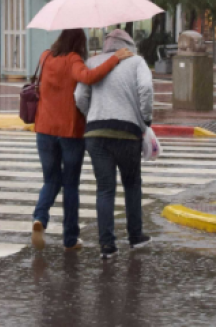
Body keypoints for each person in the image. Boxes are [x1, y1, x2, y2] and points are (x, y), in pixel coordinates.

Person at [31, 29, 133, 252]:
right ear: (79, 42)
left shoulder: (45, 56)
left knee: (50, 180)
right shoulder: (73, 59)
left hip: (44, 130)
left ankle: (40, 217)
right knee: (70, 185)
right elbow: (88, 77)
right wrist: (114, 58)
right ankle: (70, 239)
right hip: (70, 132)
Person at [74, 29, 154, 260]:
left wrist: (94, 115)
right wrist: (145, 119)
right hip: (127, 133)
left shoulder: (92, 62)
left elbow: (79, 96)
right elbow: (146, 89)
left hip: (96, 133)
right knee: (131, 184)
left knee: (105, 188)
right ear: (128, 45)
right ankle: (135, 236)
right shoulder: (137, 62)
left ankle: (107, 245)